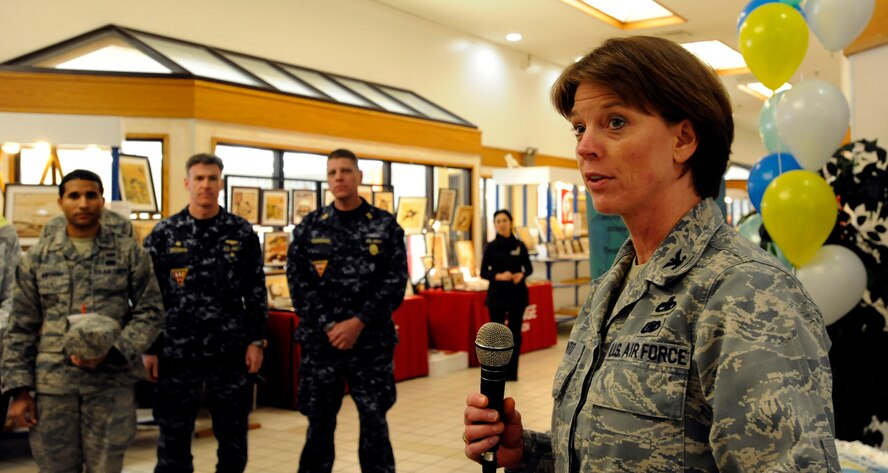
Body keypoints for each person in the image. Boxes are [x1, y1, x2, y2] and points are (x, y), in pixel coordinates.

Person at [462, 36, 840, 472]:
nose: (585, 146)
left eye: (616, 122)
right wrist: (530, 453)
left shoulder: (746, 293)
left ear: (683, 140)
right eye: (580, 127)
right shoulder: (615, 284)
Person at [1, 169, 164, 471]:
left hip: (110, 384)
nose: (83, 203)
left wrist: (115, 350)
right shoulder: (37, 258)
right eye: (74, 196)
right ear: (61, 202)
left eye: (91, 195)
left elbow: (151, 311)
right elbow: (20, 327)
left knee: (105, 468)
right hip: (53, 388)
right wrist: (20, 391)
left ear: (102, 201)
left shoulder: (129, 253)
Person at [143, 153, 267, 473]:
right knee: (174, 436)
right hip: (177, 352)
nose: (205, 185)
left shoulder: (240, 232)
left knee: (232, 438)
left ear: (221, 184)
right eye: (199, 178)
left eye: (212, 178)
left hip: (229, 351)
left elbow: (255, 290)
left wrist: (256, 340)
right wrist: (150, 348)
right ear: (187, 183)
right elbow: (149, 296)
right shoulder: (165, 233)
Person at [287, 148, 407, 473]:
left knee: (374, 428)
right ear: (328, 180)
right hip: (321, 346)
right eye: (332, 173)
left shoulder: (384, 226)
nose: (339, 177)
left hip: (370, 345)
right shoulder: (310, 227)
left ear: (359, 176)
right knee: (319, 430)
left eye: (345, 171)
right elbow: (298, 285)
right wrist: (330, 326)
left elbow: (395, 282)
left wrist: (358, 322)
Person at [480, 209, 532, 381]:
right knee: (496, 335)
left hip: (517, 296)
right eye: (498, 221)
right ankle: (496, 371)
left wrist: (521, 275)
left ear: (511, 222)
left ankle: (512, 372)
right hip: (497, 297)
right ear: (495, 225)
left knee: (515, 334)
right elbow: (483, 272)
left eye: (504, 220)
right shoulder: (491, 247)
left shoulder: (519, 245)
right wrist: (498, 276)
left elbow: (528, 268)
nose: (501, 224)